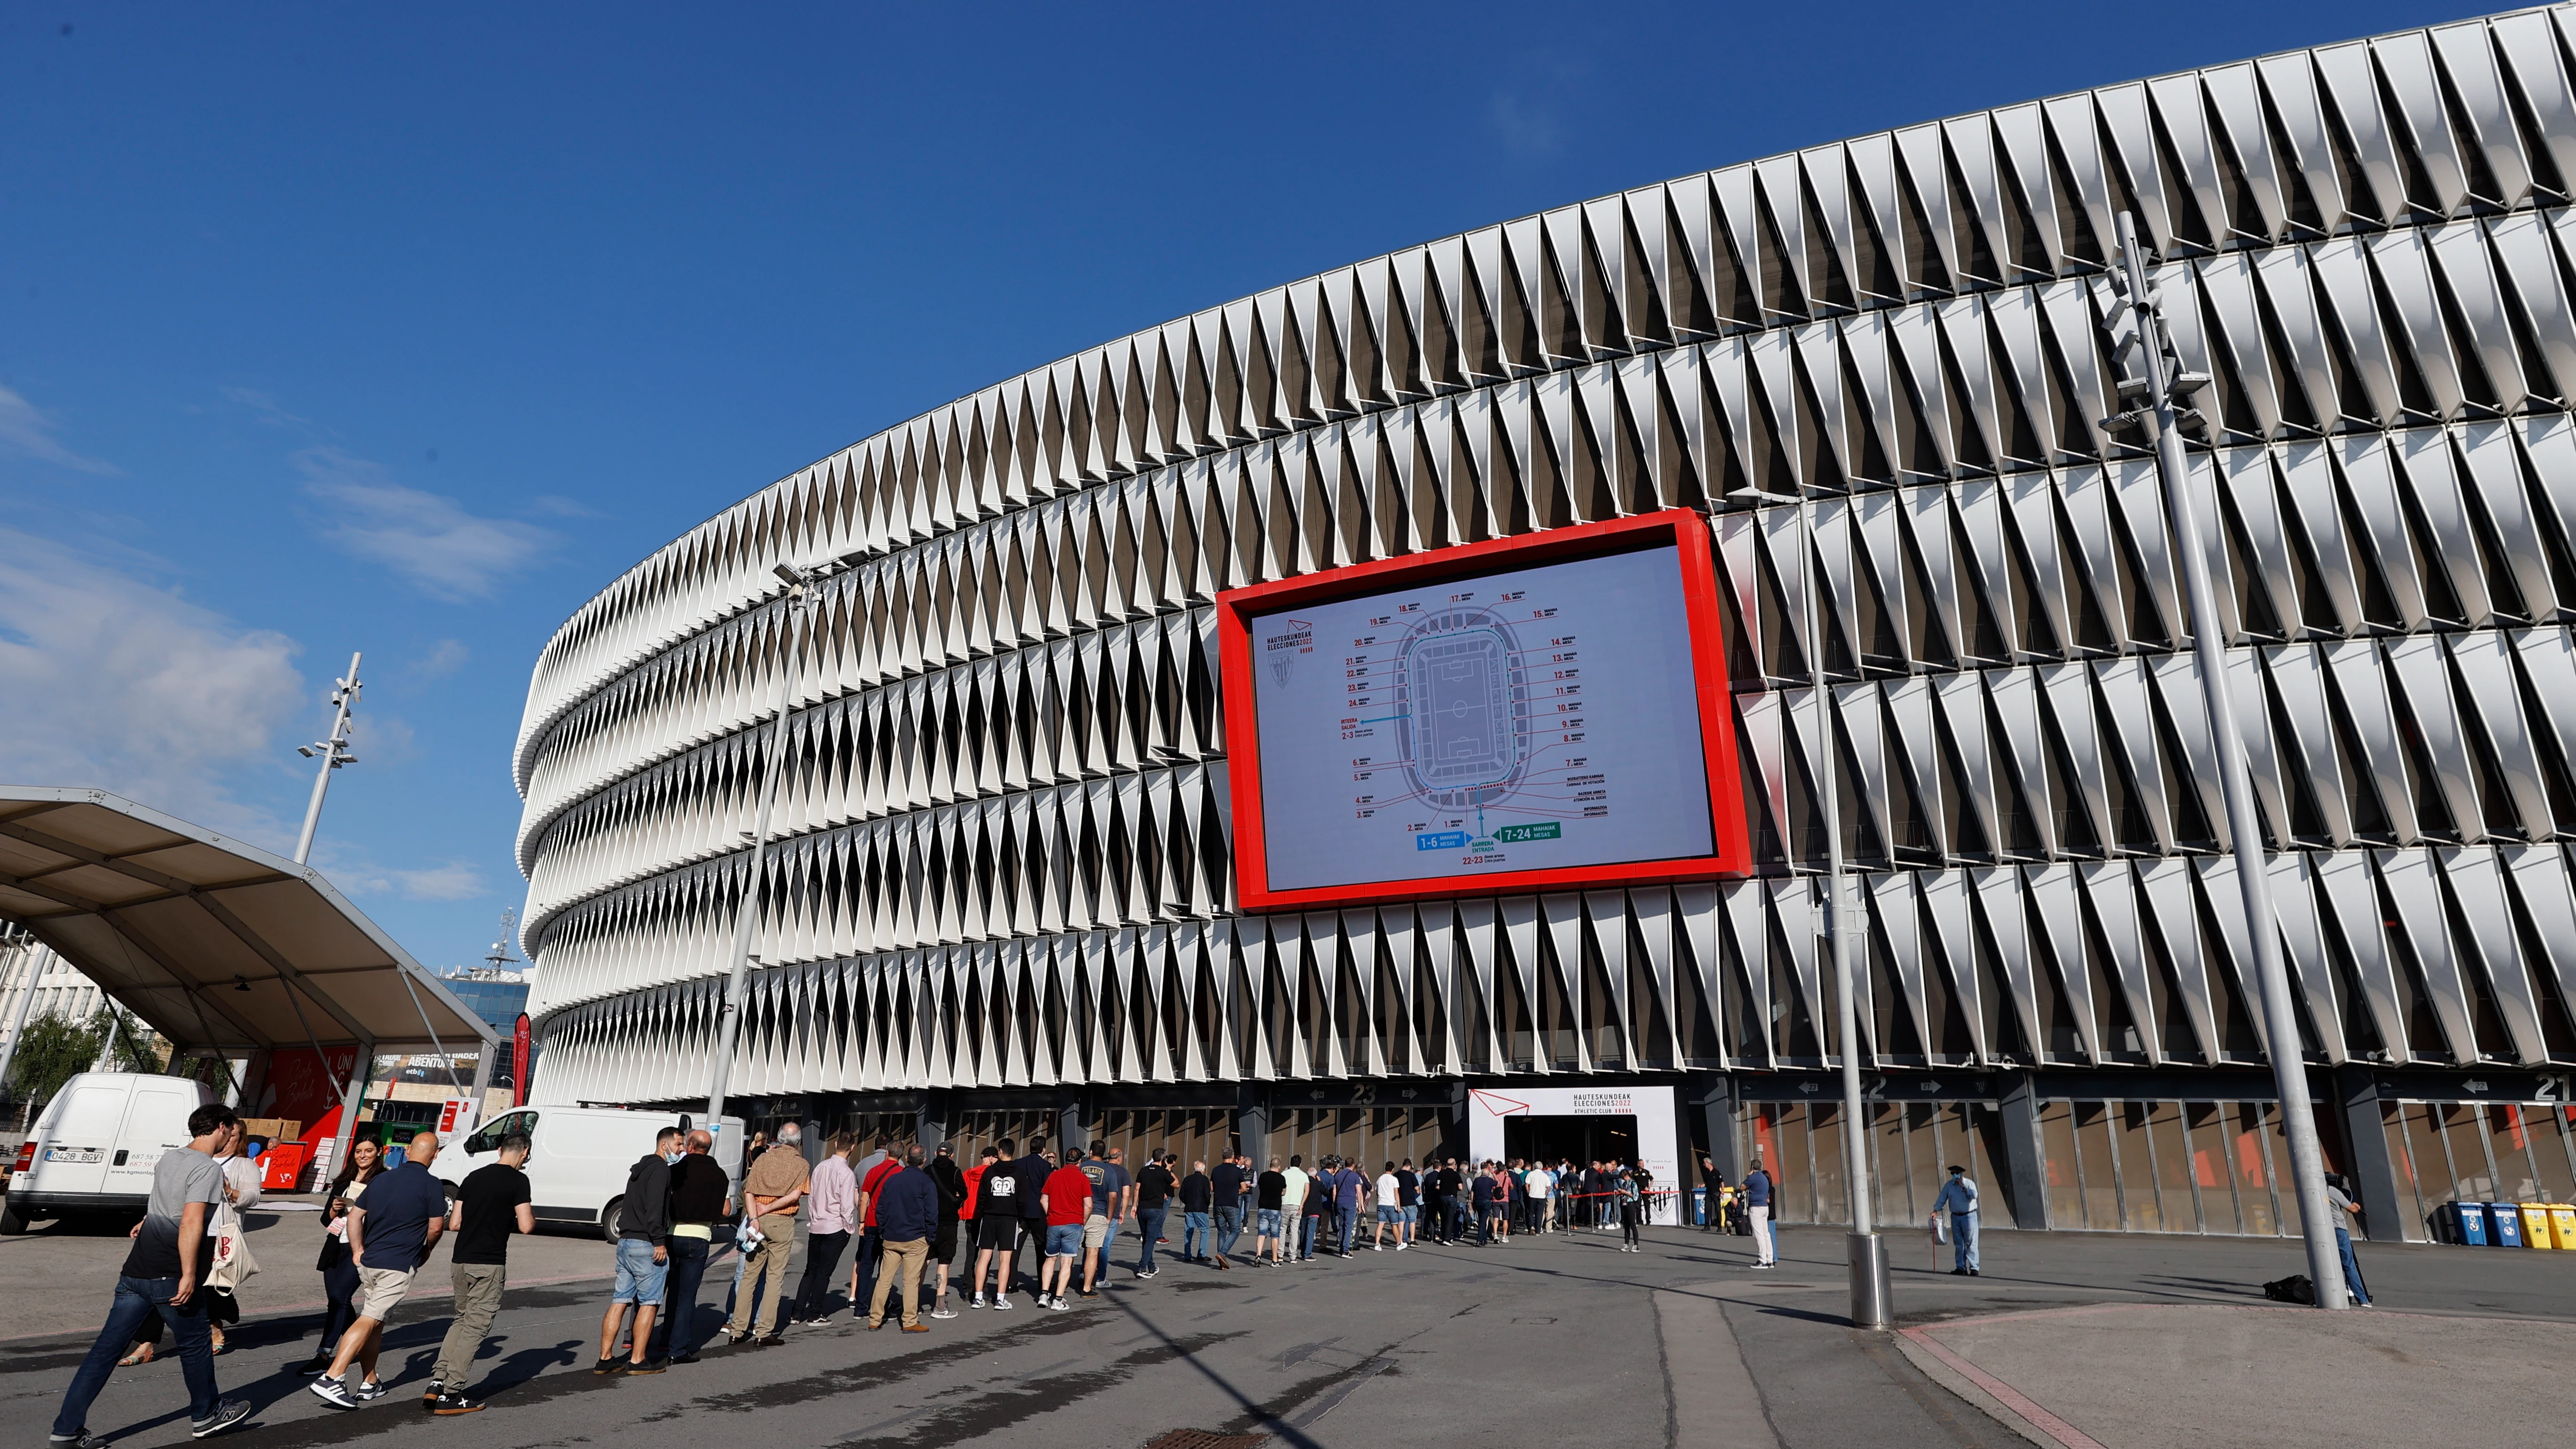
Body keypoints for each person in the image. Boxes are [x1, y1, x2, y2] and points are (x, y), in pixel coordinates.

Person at [51, 1103, 252, 1447]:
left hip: (136, 1270)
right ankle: (207, 1414)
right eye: (230, 1131)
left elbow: (160, 1203)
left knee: (105, 1351)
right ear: (221, 1127)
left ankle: (66, 1431)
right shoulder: (207, 1169)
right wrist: (189, 1274)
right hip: (170, 1272)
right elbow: (190, 1221)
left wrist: (147, 1221)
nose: (230, 1138)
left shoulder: (171, 1158)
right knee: (195, 1344)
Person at [309, 1130, 448, 1409]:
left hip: (370, 1261)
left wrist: (359, 1250)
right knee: (370, 1318)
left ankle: (370, 1381)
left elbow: (356, 1216)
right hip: (397, 1264)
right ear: (435, 1155)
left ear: (408, 1152)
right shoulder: (432, 1184)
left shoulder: (382, 1179)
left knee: (376, 1322)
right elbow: (436, 1227)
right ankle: (332, 1377)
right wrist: (427, 1250)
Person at [424, 1131, 534, 1414]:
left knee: (461, 1320)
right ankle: (453, 1392)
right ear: (524, 1152)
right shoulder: (519, 1181)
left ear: (499, 1149)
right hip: (489, 1262)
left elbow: (455, 1223)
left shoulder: (473, 1177)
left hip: (461, 1260)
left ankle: (438, 1382)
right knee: (476, 1326)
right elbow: (526, 1226)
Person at [594, 1127, 676, 1375]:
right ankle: (638, 1360)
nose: (682, 1150)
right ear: (665, 1145)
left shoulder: (640, 1170)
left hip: (626, 1241)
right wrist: (659, 1240)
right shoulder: (661, 1169)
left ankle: (605, 1358)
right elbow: (656, 1207)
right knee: (650, 1302)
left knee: (620, 1300)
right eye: (679, 1145)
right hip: (646, 1244)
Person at [297, 1137, 382, 1376]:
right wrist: (334, 1211)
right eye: (358, 1151)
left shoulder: (382, 1180)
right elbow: (326, 1220)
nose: (362, 1155)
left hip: (361, 1248)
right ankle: (356, 1343)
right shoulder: (344, 1181)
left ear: (379, 1153)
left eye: (368, 1151)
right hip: (336, 1246)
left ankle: (324, 1354)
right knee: (337, 1301)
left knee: (339, 1297)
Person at [652, 1129, 731, 1363]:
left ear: (689, 1146)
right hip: (699, 1237)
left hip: (671, 1234)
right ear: (708, 1148)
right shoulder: (720, 1175)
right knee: (687, 1295)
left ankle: (660, 1339)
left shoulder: (674, 1170)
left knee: (665, 1290)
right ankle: (678, 1349)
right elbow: (726, 1211)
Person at [727, 1124, 809, 1346]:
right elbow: (795, 1196)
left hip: (758, 1220)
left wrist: (755, 1217)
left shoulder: (763, 1159)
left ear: (780, 1138)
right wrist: (771, 1208)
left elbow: (749, 1191)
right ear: (798, 1141)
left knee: (749, 1276)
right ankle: (763, 1332)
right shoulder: (802, 1164)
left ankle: (738, 1329)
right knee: (775, 1277)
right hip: (782, 1222)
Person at [866, 1146, 938, 1331]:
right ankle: (909, 1321)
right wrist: (930, 1237)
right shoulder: (926, 1182)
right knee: (911, 1281)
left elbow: (880, 1208)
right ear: (924, 1160)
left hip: (892, 1236)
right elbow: (932, 1213)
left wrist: (883, 1230)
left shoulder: (892, 1180)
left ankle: (875, 1319)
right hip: (915, 1237)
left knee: (884, 1279)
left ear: (906, 1158)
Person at [793, 1131, 858, 1325]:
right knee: (824, 1273)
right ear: (853, 1148)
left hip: (817, 1225)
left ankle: (796, 1313)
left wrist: (813, 1219)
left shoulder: (820, 1167)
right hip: (835, 1226)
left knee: (810, 1270)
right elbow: (847, 1205)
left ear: (836, 1144)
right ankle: (815, 1313)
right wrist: (849, 1227)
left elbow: (812, 1198)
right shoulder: (847, 1173)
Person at [847, 1135, 903, 1318]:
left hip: (871, 1222)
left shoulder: (871, 1169)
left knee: (866, 1266)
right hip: (891, 1225)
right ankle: (882, 1305)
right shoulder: (901, 1172)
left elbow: (864, 1198)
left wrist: (861, 1222)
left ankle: (860, 1307)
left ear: (887, 1152)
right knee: (886, 1268)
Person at [1038, 1146, 1094, 1310]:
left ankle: (1044, 1294)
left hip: (1054, 1222)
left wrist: (1051, 1214)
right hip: (1073, 1223)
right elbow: (1089, 1205)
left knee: (1050, 1259)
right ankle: (1058, 1299)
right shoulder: (1083, 1178)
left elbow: (1043, 1200)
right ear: (1080, 1161)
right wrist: (1082, 1221)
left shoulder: (1054, 1175)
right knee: (1066, 1261)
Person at [968, 1141, 1022, 1309]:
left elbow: (981, 1197)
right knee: (1005, 1259)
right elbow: (1023, 1199)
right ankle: (1000, 1298)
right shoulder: (1019, 1173)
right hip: (1009, 1218)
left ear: (1000, 1152)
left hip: (990, 1217)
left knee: (984, 1257)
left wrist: (985, 1212)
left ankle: (978, 1297)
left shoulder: (990, 1172)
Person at [1078, 1145, 1132, 1296]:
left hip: (1080, 1212)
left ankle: (1082, 1274)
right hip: (1102, 1213)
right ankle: (1100, 1278)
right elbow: (1121, 1195)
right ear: (1120, 1158)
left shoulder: (1081, 1166)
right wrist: (1118, 1213)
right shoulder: (1113, 1172)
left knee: (1079, 1248)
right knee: (1099, 1248)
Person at [925, 1142, 967, 1318]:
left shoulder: (927, 1170)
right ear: (951, 1155)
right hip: (949, 1222)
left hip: (928, 1221)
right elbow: (964, 1193)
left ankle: (913, 1302)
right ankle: (940, 1304)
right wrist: (955, 1201)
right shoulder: (955, 1171)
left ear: (936, 1153)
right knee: (944, 1261)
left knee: (923, 1261)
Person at [1009, 1135, 1055, 1296]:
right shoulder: (1045, 1166)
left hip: (1021, 1211)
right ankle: (1044, 1284)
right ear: (1043, 1150)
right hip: (1039, 1211)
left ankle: (1011, 1283)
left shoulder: (1019, 1163)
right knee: (1041, 1248)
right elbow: (1048, 1188)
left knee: (1015, 1248)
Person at [2325, 1173, 2372, 1307]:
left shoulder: (2318, 1193)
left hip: (2326, 1231)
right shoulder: (2332, 1191)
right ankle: (2363, 1299)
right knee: (2349, 1264)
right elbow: (2351, 1209)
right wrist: (2356, 1206)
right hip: (2339, 1230)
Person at [1931, 1164, 1979, 1276]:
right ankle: (1961, 1267)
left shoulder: (1969, 1184)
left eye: (1956, 1173)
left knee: (1971, 1242)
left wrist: (1963, 1187)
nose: (1954, 1175)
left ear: (1961, 1174)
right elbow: (1942, 1198)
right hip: (1956, 1216)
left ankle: (1974, 1267)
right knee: (1959, 1243)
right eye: (1952, 1173)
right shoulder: (1949, 1186)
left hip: (1969, 1216)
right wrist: (1935, 1211)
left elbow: (1974, 1195)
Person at [1134, 1151, 1175, 1278]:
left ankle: (1151, 1266)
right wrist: (1168, 1169)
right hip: (1155, 1209)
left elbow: (1137, 1189)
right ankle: (1142, 1268)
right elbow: (1176, 1184)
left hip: (1142, 1208)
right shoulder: (1163, 1172)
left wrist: (1134, 1206)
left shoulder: (1143, 1171)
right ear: (1163, 1159)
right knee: (1151, 1240)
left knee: (1147, 1239)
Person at [1209, 1151, 1246, 1265]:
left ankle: (1222, 1261)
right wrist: (1236, 1193)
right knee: (1235, 1230)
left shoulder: (1215, 1170)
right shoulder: (1237, 1170)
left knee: (1221, 1232)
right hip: (1231, 1204)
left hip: (1218, 1203)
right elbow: (1244, 1188)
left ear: (1222, 1157)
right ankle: (1223, 1253)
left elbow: (1212, 1188)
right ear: (1233, 1157)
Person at [1179, 1159, 1216, 1265]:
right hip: (1201, 1208)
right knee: (1205, 1230)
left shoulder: (1187, 1179)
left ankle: (1187, 1255)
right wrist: (1207, 1204)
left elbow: (1182, 1194)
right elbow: (1207, 1195)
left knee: (1188, 1231)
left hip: (1189, 1208)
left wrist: (1187, 1202)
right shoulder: (1205, 1180)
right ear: (1203, 1170)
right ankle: (1202, 1254)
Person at [1255, 1157, 1288, 1266]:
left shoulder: (1263, 1176)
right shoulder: (1281, 1178)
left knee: (1261, 1233)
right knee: (1275, 1235)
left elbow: (1261, 1188)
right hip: (1275, 1208)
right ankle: (1275, 1260)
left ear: (1270, 1165)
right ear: (1279, 1167)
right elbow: (1283, 1192)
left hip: (1263, 1207)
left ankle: (1258, 1255)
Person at [1744, 1155, 1775, 1269]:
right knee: (1766, 1233)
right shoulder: (1764, 1178)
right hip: (1764, 1207)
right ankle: (1770, 1259)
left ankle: (1762, 1260)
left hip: (1756, 1208)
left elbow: (1742, 1187)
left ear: (1752, 1167)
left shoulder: (1754, 1177)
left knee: (1759, 1235)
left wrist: (1748, 1177)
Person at [1280, 1155, 1310, 1262]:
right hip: (1297, 1205)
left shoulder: (1284, 1173)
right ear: (1300, 1164)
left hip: (1284, 1203)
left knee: (1282, 1230)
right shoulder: (1304, 1175)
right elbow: (1307, 1190)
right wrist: (1302, 1204)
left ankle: (1280, 1254)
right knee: (1294, 1231)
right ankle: (1293, 1256)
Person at [1332, 1158, 1365, 1256]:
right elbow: (1359, 1192)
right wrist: (1360, 1205)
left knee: (1341, 1226)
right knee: (1349, 1227)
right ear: (1353, 1165)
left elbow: (1335, 1191)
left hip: (1340, 1202)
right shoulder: (1355, 1176)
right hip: (1351, 1203)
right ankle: (1346, 1250)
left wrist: (1335, 1202)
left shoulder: (1338, 1176)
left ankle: (1342, 1247)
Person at [1371, 1162, 1401, 1251]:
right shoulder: (1394, 1179)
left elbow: (1377, 1192)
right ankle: (1399, 1244)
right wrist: (1399, 1206)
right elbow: (1396, 1193)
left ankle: (1377, 1244)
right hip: (1391, 1204)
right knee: (1394, 1225)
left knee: (1380, 1224)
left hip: (1381, 1203)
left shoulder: (1380, 1179)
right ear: (1393, 1169)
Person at [1616, 1165, 1643, 1252]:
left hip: (1631, 1204)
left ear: (1626, 1175)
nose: (1623, 1179)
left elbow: (1635, 1196)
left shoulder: (1633, 1183)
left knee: (1633, 1225)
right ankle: (1626, 1244)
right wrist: (1621, 1192)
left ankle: (1636, 1245)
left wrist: (1626, 1193)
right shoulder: (1624, 1184)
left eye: (1623, 1177)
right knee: (1626, 1226)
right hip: (1624, 1204)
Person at [1469, 1162, 1498, 1245]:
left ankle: (1484, 1238)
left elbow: (1472, 1192)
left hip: (1478, 1201)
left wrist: (1472, 1202)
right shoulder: (1490, 1180)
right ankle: (1480, 1239)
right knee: (1483, 1220)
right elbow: (1498, 1183)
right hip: (1487, 1201)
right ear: (1488, 1175)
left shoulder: (1476, 1180)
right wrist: (1493, 1174)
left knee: (1481, 1220)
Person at [1526, 1160, 1555, 1234]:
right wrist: (1545, 1194)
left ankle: (1532, 1225)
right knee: (1539, 1214)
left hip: (1532, 1196)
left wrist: (1528, 1192)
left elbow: (1527, 1185)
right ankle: (1538, 1231)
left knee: (1531, 1212)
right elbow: (1549, 1187)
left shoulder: (1531, 1174)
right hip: (1541, 1197)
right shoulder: (1545, 1176)